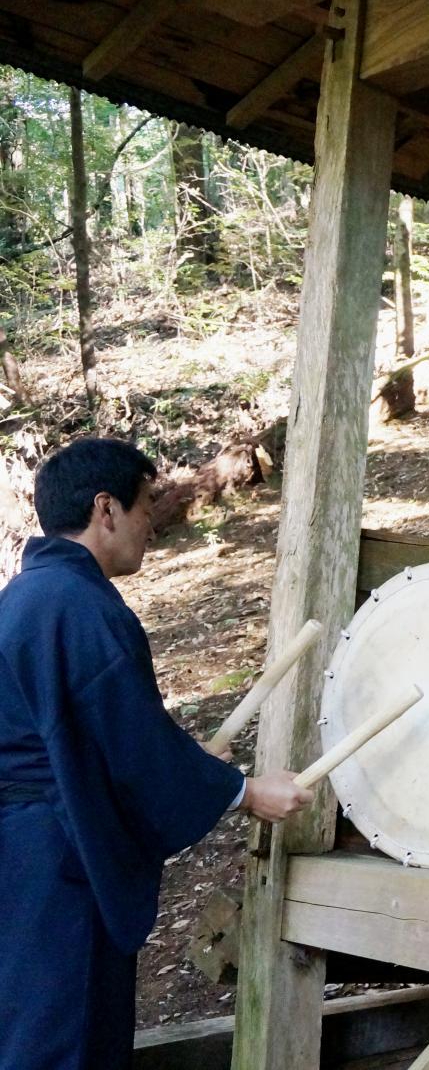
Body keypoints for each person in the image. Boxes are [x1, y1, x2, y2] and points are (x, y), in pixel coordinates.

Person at [0, 438, 313, 1070]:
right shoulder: (76, 605)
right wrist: (246, 791)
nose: (152, 521)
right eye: (146, 505)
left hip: (21, 855)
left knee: (29, 1029)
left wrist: (189, 763)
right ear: (106, 509)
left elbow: (97, 736)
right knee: (65, 1036)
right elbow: (133, 745)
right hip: (60, 857)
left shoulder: (26, 596)